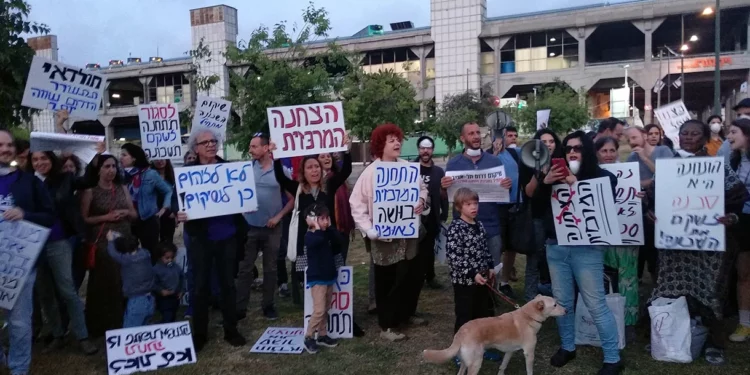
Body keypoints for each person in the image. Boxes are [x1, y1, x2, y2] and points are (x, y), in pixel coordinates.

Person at [646, 120, 747, 366]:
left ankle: (715, 342)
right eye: (684, 133)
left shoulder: (716, 167)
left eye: (694, 134)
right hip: (675, 246)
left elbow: (739, 196)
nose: (688, 137)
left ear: (704, 138)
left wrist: (730, 217)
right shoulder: (667, 168)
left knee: (710, 291)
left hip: (706, 246)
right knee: (672, 289)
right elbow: (654, 197)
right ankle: (671, 334)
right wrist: (651, 212)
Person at [541, 131, 622, 375]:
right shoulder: (552, 177)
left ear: (586, 151)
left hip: (586, 250)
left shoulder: (604, 177)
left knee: (595, 303)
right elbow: (536, 209)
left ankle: (613, 358)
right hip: (556, 247)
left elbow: (605, 199)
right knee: (563, 302)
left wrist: (576, 181)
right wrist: (546, 182)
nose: (572, 152)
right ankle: (568, 346)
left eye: (577, 148)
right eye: (567, 149)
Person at [349, 123, 428, 342]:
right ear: (379, 144)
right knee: (387, 282)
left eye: (398, 139)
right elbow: (357, 205)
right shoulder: (370, 174)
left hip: (409, 236)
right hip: (384, 238)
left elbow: (422, 189)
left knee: (410, 277)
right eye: (391, 139)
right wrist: (371, 231)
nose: (397, 143)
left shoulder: (408, 168)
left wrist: (421, 200)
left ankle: (405, 314)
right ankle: (387, 325)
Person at [177, 129, 247, 351]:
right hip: (200, 239)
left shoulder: (230, 169)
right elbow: (174, 202)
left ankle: (231, 329)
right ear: (195, 148)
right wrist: (177, 212)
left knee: (228, 284)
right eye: (204, 142)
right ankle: (200, 333)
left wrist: (246, 201)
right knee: (200, 287)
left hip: (227, 237)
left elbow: (242, 195)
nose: (210, 145)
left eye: (213, 141)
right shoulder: (187, 174)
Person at [27, 151, 97, 355]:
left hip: (58, 242)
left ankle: (82, 336)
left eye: (44, 158)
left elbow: (89, 180)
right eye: (35, 160)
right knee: (45, 293)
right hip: (33, 244)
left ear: (52, 160)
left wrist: (95, 156)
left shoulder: (65, 179)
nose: (40, 163)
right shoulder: (26, 182)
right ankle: (58, 335)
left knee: (67, 290)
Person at [0, 129, 55, 375]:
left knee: (20, 321)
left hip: (19, 266)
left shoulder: (30, 182)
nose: (5, 149)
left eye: (9, 145)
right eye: (0, 145)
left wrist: (26, 215)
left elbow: (50, 216)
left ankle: (18, 368)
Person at [442, 123, 513, 291]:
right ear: (462, 138)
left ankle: (491, 302)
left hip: (491, 225)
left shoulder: (494, 161)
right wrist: (442, 187)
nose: (476, 136)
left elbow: (503, 196)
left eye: (477, 133)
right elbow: (447, 196)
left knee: (492, 268)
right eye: (471, 133)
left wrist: (505, 186)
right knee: (468, 269)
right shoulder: (453, 164)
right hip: (464, 228)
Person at [236, 134, 294, 320]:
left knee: (270, 268)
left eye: (254, 146)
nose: (250, 150)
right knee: (245, 268)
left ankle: (268, 305)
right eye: (250, 146)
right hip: (250, 227)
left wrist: (278, 217)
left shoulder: (281, 171)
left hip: (272, 228)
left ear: (266, 148)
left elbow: (293, 199)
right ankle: (240, 308)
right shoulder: (246, 170)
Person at [80, 154, 138, 337]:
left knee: (125, 279)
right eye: (107, 166)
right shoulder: (90, 191)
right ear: (98, 170)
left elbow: (134, 214)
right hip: (103, 241)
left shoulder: (122, 188)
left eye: (114, 166)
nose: (111, 170)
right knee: (106, 281)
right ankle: (102, 323)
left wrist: (124, 212)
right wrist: (106, 217)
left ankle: (124, 319)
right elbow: (84, 218)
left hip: (125, 239)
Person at [594, 137, 641, 335]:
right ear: (597, 152)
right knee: (603, 277)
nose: (608, 155)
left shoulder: (629, 173)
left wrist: (641, 198)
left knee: (628, 279)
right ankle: (604, 320)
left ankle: (628, 322)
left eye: (612, 150)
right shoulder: (590, 174)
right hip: (601, 236)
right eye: (604, 151)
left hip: (627, 235)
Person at [623, 127, 673, 283]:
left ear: (644, 135)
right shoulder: (631, 157)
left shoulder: (663, 151)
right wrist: (646, 183)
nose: (632, 142)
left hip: (663, 205)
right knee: (642, 248)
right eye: (629, 139)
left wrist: (645, 158)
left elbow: (668, 175)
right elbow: (628, 183)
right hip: (642, 206)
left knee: (657, 251)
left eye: (635, 137)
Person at [445, 188, 495, 335]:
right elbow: (454, 257)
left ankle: (481, 345)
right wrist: (472, 273)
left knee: (482, 313)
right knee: (465, 314)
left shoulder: (479, 225)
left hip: (482, 279)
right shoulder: (456, 228)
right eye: (468, 204)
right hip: (464, 282)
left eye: (475, 203)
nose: (473, 207)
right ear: (459, 207)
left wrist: (490, 266)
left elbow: (485, 249)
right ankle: (460, 349)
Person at [520, 129, 562, 301]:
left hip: (559, 217)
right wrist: (540, 174)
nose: (548, 145)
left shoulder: (561, 161)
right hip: (537, 216)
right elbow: (529, 192)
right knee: (535, 258)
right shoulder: (527, 163)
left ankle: (555, 292)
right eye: (544, 142)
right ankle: (530, 298)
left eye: (551, 141)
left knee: (557, 257)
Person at [120, 143, 173, 263]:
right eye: (120, 155)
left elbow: (168, 191)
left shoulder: (150, 174)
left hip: (148, 220)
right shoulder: (120, 175)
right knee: (127, 254)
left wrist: (164, 208)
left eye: (124, 155)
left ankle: (152, 280)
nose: (121, 158)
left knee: (151, 255)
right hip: (127, 221)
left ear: (134, 158)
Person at [722, 118, 750, 343]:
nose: (728, 137)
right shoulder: (733, 161)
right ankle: (744, 323)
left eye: (733, 132)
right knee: (743, 274)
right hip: (741, 222)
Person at [302, 203, 342, 354]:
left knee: (325, 308)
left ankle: (322, 334)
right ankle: (309, 336)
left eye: (327, 218)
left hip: (328, 276)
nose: (326, 222)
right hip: (317, 278)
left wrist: (329, 227)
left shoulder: (326, 233)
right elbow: (316, 242)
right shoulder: (310, 236)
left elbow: (338, 239)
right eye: (322, 219)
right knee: (319, 310)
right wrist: (316, 227)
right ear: (311, 220)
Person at [414, 136, 447, 290]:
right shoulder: (409, 168)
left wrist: (444, 213)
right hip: (413, 216)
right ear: (418, 149)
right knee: (414, 250)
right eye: (422, 147)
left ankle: (430, 276)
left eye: (428, 148)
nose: (425, 151)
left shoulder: (439, 171)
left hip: (432, 216)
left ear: (432, 150)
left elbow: (443, 194)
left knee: (429, 249)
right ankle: (415, 277)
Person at [106, 231, 155, 328]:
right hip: (150, 299)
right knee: (143, 330)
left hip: (136, 301)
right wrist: (123, 237)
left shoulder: (127, 260)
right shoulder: (146, 254)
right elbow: (132, 245)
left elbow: (112, 253)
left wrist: (111, 241)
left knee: (130, 331)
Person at [318, 152, 355, 262]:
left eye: (328, 156)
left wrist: (347, 152)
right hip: (322, 231)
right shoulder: (314, 181)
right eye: (322, 156)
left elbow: (347, 170)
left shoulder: (336, 179)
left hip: (341, 230)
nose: (326, 158)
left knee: (340, 263)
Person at [153, 242, 184, 323]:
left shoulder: (176, 267)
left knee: (173, 315)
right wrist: (161, 291)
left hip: (175, 296)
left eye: (172, 257)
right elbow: (153, 283)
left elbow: (182, 277)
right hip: (164, 298)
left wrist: (181, 290)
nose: (170, 260)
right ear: (160, 257)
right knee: (168, 316)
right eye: (167, 258)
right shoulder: (156, 269)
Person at [151, 159, 178, 244]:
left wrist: (175, 212)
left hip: (169, 215)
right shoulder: (148, 176)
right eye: (156, 159)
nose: (159, 161)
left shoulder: (174, 176)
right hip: (153, 215)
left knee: (167, 243)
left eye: (162, 158)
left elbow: (178, 195)